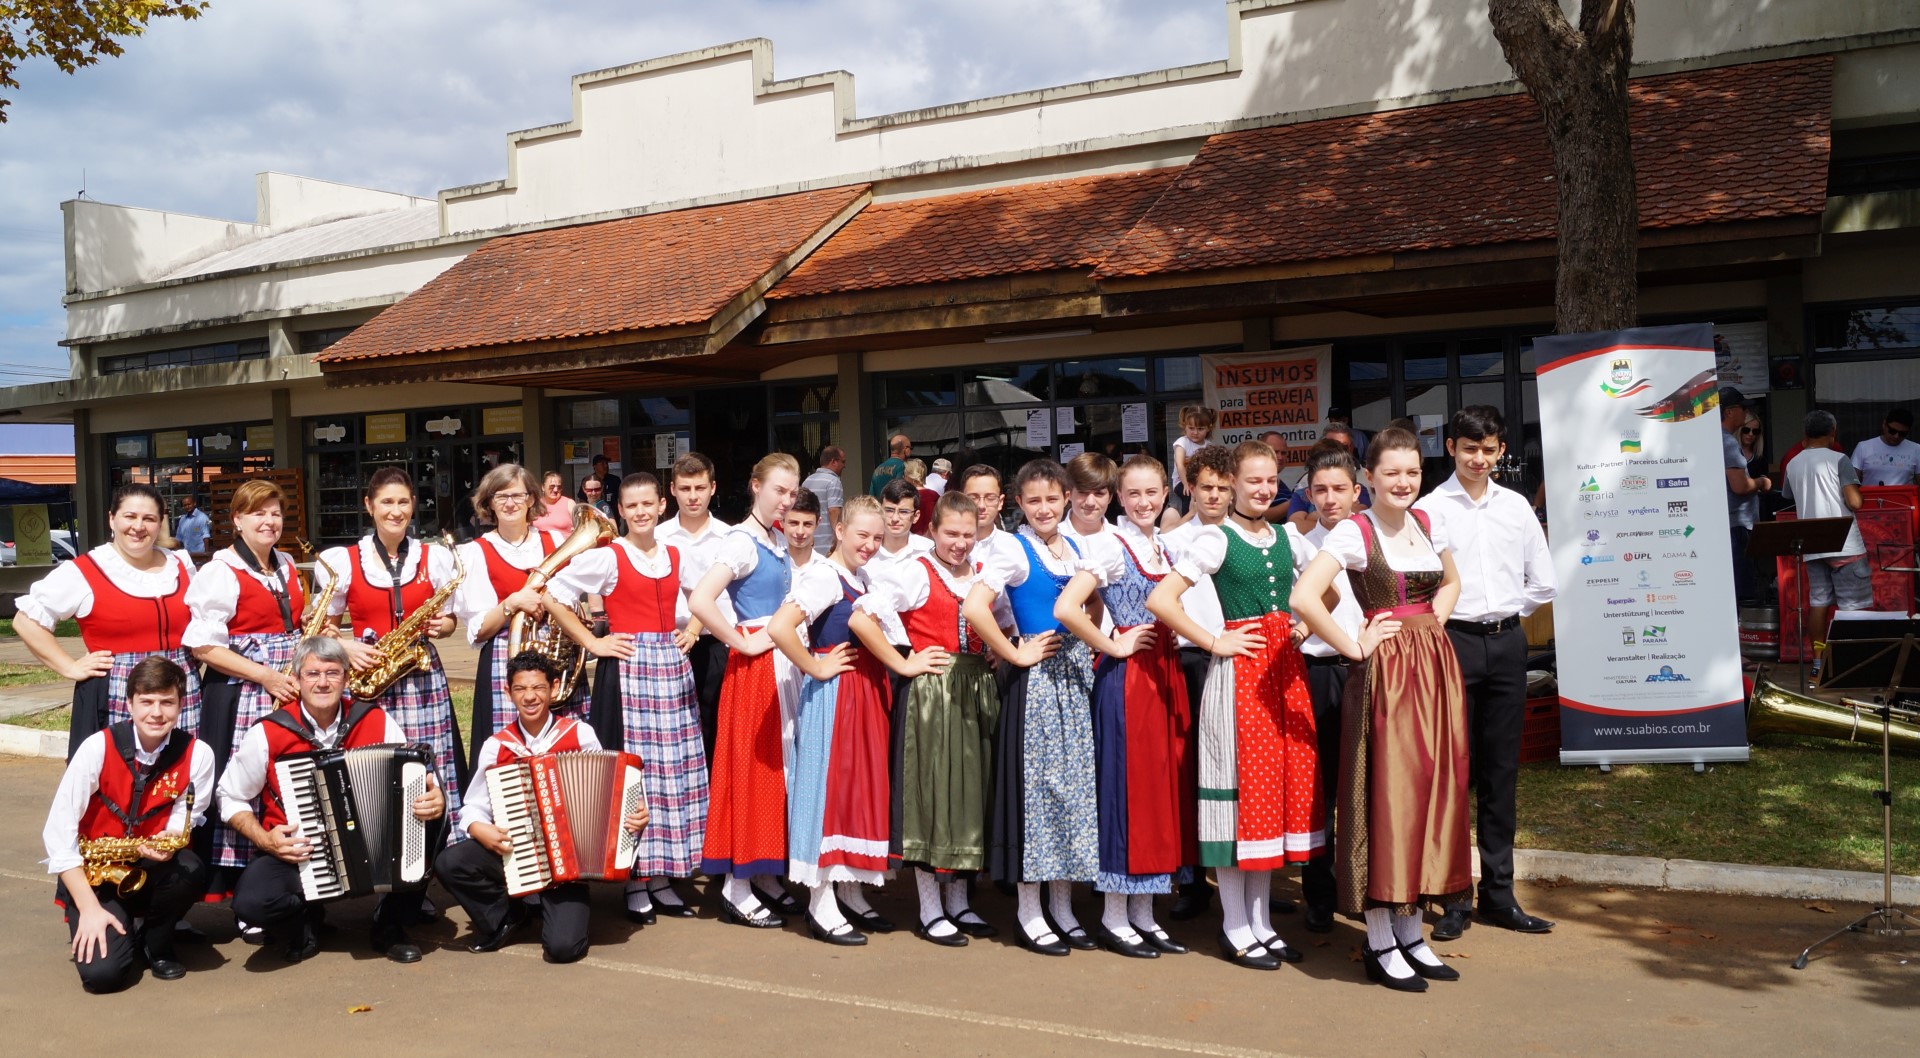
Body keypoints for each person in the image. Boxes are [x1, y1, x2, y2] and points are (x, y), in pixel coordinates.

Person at [1292, 427, 1469, 993]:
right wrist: (1353, 646)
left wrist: (1432, 622)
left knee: (1427, 793)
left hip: (1432, 668)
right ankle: (1379, 939)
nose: (1403, 482)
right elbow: (1303, 598)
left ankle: (1412, 931)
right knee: (1385, 796)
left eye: (1413, 472)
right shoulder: (1353, 531)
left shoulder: (1425, 522)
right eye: (1392, 472)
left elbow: (1452, 582)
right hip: (1386, 676)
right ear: (1369, 478)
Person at [1147, 439, 1319, 971]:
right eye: (1253, 482)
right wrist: (1216, 639)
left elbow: (1323, 592)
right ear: (1234, 483)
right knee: (1243, 797)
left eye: (1271, 481)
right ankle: (1234, 924)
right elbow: (1161, 600)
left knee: (1272, 796)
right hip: (1239, 675)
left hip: (1283, 673)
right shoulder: (1215, 539)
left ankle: (1263, 923)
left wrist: (1306, 623)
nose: (1264, 489)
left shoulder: (1287, 537)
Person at [1414, 405, 1556, 942]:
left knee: (1502, 772)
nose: (1478, 459)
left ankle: (1500, 893)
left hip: (1507, 644)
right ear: (1451, 447)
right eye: (1469, 448)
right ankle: (1455, 897)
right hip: (1451, 644)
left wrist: (1506, 609)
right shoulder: (1429, 509)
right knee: (1452, 774)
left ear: (1501, 452)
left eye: (1489, 449)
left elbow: (1543, 580)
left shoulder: (1517, 506)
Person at [544, 472, 708, 923]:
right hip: (629, 670)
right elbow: (553, 592)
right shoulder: (610, 557)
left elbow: (707, 597)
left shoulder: (677, 553)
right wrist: (594, 643)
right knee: (634, 771)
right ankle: (635, 878)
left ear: (661, 507)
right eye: (631, 505)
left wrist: (692, 629)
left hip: (670, 673)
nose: (639, 512)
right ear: (621, 511)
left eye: (647, 504)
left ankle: (662, 875)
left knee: (670, 773)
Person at [221, 636, 446, 964]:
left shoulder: (375, 720)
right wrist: (265, 840)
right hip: (299, 854)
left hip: (373, 850)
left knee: (436, 822)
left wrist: (432, 797)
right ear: (296, 680)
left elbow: (414, 775)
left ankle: (390, 926)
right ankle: (305, 921)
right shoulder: (268, 732)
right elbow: (229, 795)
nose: (323, 682)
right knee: (252, 903)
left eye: (332, 673)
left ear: (346, 677)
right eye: (312, 674)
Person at [1056, 455, 1192, 958]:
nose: (1144, 502)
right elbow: (1068, 608)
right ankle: (1115, 915)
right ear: (1120, 496)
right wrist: (1111, 644)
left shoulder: (1163, 545)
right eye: (1133, 494)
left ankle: (1144, 913)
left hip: (1164, 675)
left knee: (1157, 791)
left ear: (1165, 493)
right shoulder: (1110, 548)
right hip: (1129, 680)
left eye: (1152, 492)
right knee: (1127, 790)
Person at [437, 651, 647, 962]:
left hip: (568, 868)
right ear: (508, 692)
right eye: (520, 689)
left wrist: (634, 815)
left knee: (563, 950)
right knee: (451, 862)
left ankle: (558, 910)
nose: (530, 697)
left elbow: (612, 790)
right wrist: (478, 827)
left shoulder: (579, 734)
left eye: (538, 688)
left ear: (554, 688)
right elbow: (473, 805)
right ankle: (505, 916)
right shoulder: (498, 746)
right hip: (516, 855)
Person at [848, 492, 989, 946]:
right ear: (931, 531)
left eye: (968, 535)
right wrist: (903, 663)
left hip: (974, 692)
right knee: (932, 797)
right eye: (951, 533)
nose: (960, 543)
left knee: (968, 798)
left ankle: (960, 901)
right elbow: (862, 618)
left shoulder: (982, 574)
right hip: (934, 693)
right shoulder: (915, 572)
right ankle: (930, 909)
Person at [967, 459, 1093, 958]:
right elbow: (975, 607)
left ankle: (1063, 907)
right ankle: (1029, 910)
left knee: (1072, 794)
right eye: (1033, 500)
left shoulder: (1076, 547)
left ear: (1066, 498)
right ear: (1018, 504)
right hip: (1037, 682)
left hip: (1074, 679)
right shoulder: (1012, 550)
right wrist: (1015, 649)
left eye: (1051, 498)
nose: (1044, 508)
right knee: (1037, 796)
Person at [766, 496, 897, 945]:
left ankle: (851, 891)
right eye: (863, 535)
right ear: (839, 531)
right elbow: (781, 626)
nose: (871, 545)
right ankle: (820, 903)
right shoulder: (823, 575)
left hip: (861, 693)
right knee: (826, 791)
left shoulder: (858, 575)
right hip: (835, 695)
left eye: (878, 538)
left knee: (853, 791)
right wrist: (816, 666)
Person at [43, 657, 214, 993]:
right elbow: (57, 833)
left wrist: (167, 841)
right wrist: (89, 908)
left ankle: (156, 941)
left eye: (167, 702)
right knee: (103, 976)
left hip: (150, 865)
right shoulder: (96, 748)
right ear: (129, 703)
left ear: (182, 705)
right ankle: (118, 921)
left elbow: (185, 818)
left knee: (190, 869)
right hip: (96, 875)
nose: (156, 713)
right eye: (146, 702)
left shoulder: (198, 754)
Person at [687, 453, 801, 927]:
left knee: (777, 771)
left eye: (793, 493)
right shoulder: (741, 541)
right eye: (779, 490)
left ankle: (763, 870)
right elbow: (700, 598)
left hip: (781, 663)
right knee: (751, 774)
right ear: (756, 486)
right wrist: (741, 640)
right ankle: (736, 885)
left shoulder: (773, 539)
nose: (786, 500)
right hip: (756, 668)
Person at [316, 467, 464, 820]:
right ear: (369, 506)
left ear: (413, 505)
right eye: (386, 502)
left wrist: (444, 626)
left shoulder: (435, 558)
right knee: (374, 761)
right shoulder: (345, 561)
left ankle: (434, 834)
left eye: (403, 502)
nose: (395, 511)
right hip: (369, 676)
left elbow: (450, 621)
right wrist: (347, 648)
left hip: (419, 676)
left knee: (429, 756)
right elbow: (323, 628)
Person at [184, 478, 304, 895]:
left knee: (280, 777)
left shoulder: (286, 563)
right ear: (237, 519)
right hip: (242, 691)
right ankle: (237, 886)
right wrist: (267, 676)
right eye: (258, 513)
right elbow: (203, 647)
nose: (269, 521)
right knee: (240, 780)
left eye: (275, 513)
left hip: (286, 685)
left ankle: (285, 876)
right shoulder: (220, 571)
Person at [17, 483, 202, 750]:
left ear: (160, 522)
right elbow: (26, 621)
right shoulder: (84, 571)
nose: (138, 527)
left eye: (149, 518)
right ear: (112, 519)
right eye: (130, 516)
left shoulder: (180, 564)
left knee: (180, 773)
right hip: (119, 689)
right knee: (120, 777)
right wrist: (69, 667)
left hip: (179, 689)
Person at [453, 465, 572, 776]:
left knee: (563, 753)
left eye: (518, 495)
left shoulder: (557, 540)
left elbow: (574, 601)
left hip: (557, 658)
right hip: (505, 660)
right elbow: (478, 631)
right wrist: (511, 603)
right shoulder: (475, 553)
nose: (509, 503)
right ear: (489, 503)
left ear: (532, 498)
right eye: (500, 496)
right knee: (510, 758)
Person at [1293, 445, 1366, 935]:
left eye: (1339, 488)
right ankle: (1318, 892)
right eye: (1320, 489)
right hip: (1315, 673)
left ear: (1357, 491)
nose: (1330, 497)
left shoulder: (1375, 538)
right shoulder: (1297, 544)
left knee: (1361, 784)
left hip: (1367, 672)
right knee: (1317, 788)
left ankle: (1362, 886)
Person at [1159, 442, 1233, 921]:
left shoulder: (1247, 537)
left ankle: (1242, 877)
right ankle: (1191, 881)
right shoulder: (1171, 542)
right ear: (1189, 486)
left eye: (1224, 488)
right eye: (1205, 486)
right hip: (1189, 660)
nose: (1214, 496)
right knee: (1189, 771)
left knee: (1232, 772)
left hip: (1234, 662)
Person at [1784, 410, 1871, 678]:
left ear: (1805, 434)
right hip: (1845, 544)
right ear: (1833, 432)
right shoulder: (1839, 459)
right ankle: (1850, 664)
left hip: (1811, 544)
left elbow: (1789, 496)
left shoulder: (1792, 464)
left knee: (1818, 602)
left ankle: (1819, 661)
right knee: (1852, 608)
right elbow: (1854, 502)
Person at [659, 451, 732, 761]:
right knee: (675, 726)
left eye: (699, 488)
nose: (693, 496)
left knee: (716, 723)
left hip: (718, 643)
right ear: (673, 490)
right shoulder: (657, 537)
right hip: (672, 642)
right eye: (685, 488)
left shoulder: (730, 537)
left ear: (712, 488)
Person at [1721, 388, 1772, 607]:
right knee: (1744, 593)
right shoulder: (1728, 443)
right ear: (1731, 411)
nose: (1746, 412)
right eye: (1743, 408)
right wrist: (1762, 482)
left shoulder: (1710, 439)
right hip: (1738, 525)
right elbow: (1740, 486)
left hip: (1727, 522)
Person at [1165, 405, 1217, 528]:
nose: (1195, 432)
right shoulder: (1182, 442)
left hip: (1200, 482)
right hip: (1182, 482)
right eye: (1191, 428)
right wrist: (1185, 484)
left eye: (1200, 428)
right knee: (1187, 495)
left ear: (1209, 428)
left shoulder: (1208, 445)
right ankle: (1187, 523)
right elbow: (1179, 463)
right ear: (1185, 426)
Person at [1851, 408, 1920, 486]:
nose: (1896, 436)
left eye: (1902, 434)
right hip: (1871, 497)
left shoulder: (1916, 449)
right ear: (1884, 424)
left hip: (1903, 497)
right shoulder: (1863, 447)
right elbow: (1852, 482)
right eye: (1892, 431)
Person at [1063, 452, 1117, 543]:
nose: (1090, 502)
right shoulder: (1050, 539)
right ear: (1069, 494)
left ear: (1110, 497)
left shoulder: (1124, 541)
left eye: (1099, 494)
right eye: (1083, 492)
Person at [802, 446, 847, 555]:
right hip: (827, 545)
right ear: (834, 461)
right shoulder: (833, 481)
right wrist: (838, 536)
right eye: (843, 462)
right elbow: (834, 511)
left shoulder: (807, 481)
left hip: (809, 543)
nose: (844, 466)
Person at [869, 433, 912, 497]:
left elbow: (871, 496)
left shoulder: (877, 469)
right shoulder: (903, 466)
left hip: (880, 506)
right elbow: (901, 491)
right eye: (910, 448)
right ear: (905, 449)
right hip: (895, 505)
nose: (911, 451)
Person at [174, 495, 211, 561]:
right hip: (187, 556)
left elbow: (206, 537)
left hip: (200, 556)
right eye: (185, 505)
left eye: (189, 504)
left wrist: (206, 555)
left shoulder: (202, 518)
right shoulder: (182, 520)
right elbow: (178, 538)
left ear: (194, 503)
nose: (187, 506)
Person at [907, 459, 937, 536]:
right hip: (931, 539)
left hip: (911, 539)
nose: (903, 477)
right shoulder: (935, 495)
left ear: (911, 476)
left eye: (905, 474)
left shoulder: (907, 497)